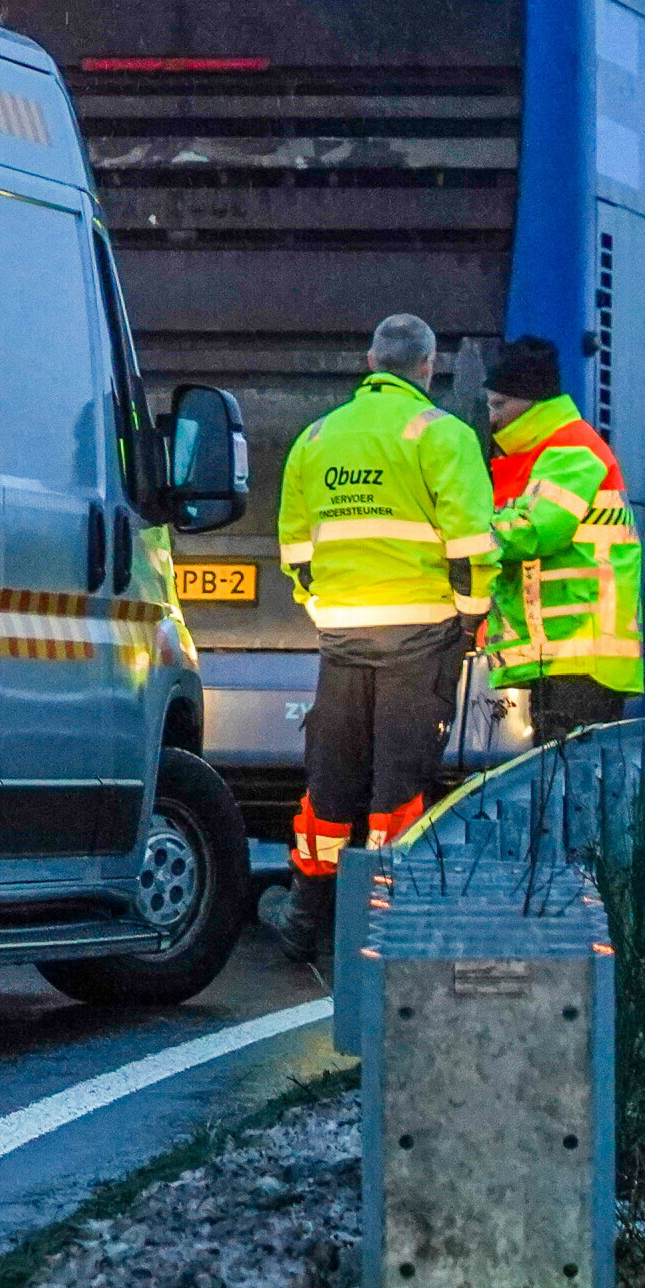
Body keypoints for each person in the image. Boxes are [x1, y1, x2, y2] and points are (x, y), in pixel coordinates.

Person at [257, 314, 495, 964]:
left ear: (370, 362)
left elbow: (295, 550)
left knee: (330, 779)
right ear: (428, 366)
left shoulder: (317, 438)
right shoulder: (443, 435)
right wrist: (469, 619)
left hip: (342, 636)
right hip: (421, 636)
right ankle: (387, 926)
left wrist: (324, 609)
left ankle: (305, 916)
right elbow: (472, 545)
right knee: (400, 783)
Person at [469, 335, 643, 746]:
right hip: (568, 655)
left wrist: (464, 537)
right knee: (560, 773)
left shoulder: (571, 450)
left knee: (567, 774)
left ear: (532, 402)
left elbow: (537, 530)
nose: (492, 417)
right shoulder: (547, 452)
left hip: (581, 654)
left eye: (499, 404)